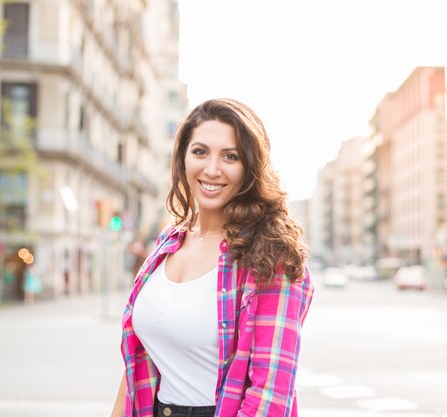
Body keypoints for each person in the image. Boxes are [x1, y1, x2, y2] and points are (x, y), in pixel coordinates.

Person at [110, 98, 314, 417]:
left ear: (250, 167)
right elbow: (138, 365)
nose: (212, 169)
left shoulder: (271, 254)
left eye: (230, 156)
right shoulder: (169, 241)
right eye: (200, 151)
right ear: (183, 158)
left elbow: (269, 398)